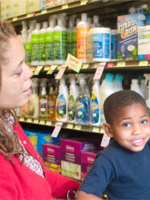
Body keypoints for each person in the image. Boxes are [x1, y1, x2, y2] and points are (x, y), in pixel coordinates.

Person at [0, 20, 80, 200]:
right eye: (18, 70)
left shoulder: (6, 120)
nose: (29, 72)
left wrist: (84, 190)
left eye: (25, 63)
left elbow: (38, 174)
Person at [77, 90, 150, 200]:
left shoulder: (147, 143)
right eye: (126, 124)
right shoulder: (108, 159)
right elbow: (84, 195)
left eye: (143, 122)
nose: (138, 131)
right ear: (109, 129)